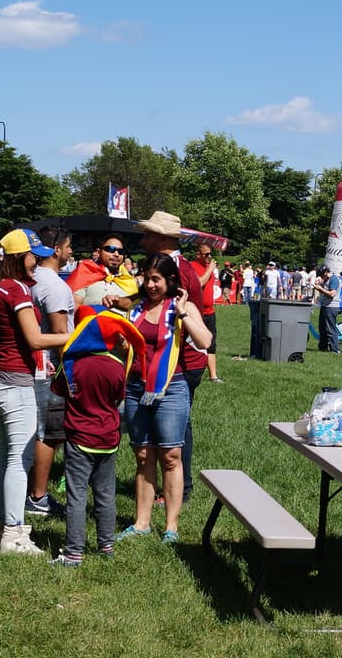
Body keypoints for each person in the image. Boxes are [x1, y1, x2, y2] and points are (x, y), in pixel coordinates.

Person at [0, 229, 71, 556]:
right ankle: (14, 535)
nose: (38, 261)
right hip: (16, 382)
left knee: (6, 455)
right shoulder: (18, 290)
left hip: (0, 378)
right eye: (34, 255)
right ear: (21, 257)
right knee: (20, 459)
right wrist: (79, 335)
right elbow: (35, 340)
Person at [116, 254, 213, 545]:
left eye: (155, 279)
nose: (149, 284)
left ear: (170, 281)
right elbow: (127, 348)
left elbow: (206, 341)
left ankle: (171, 526)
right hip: (136, 388)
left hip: (172, 389)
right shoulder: (136, 309)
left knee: (171, 457)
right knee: (143, 456)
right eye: (146, 278)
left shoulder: (182, 307)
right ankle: (141, 522)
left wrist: (183, 314)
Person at [49, 307, 146, 567]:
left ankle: (73, 553)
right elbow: (118, 397)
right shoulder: (117, 367)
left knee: (77, 496)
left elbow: (58, 390)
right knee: (105, 495)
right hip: (108, 438)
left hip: (79, 436)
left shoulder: (71, 364)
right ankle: (106, 545)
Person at [138, 211, 207, 504]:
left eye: (149, 234)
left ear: (162, 238)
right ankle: (172, 486)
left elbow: (180, 311)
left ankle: (178, 488)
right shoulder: (180, 264)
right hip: (180, 358)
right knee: (176, 425)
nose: (144, 239)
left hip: (180, 359)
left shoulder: (174, 268)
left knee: (175, 428)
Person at [26, 227, 75, 519]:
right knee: (49, 433)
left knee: (37, 429)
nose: (71, 252)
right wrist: (68, 373)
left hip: (29, 367)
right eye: (68, 247)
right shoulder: (55, 286)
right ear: (56, 249)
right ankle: (38, 497)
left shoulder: (29, 279)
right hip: (49, 369)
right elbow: (59, 333)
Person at [193, 246, 223, 383]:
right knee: (193, 343)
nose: (209, 257)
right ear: (198, 254)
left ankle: (213, 376)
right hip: (196, 312)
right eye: (206, 254)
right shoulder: (192, 266)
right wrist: (210, 270)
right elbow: (198, 284)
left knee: (211, 344)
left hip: (210, 311)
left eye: (211, 254)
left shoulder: (209, 269)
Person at [314, 266, 342, 352]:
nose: (322, 277)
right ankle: (323, 347)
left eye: (322, 276)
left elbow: (332, 294)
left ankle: (335, 349)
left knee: (330, 329)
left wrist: (320, 289)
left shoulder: (334, 279)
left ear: (326, 273)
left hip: (331, 307)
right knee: (322, 328)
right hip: (325, 306)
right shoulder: (327, 280)